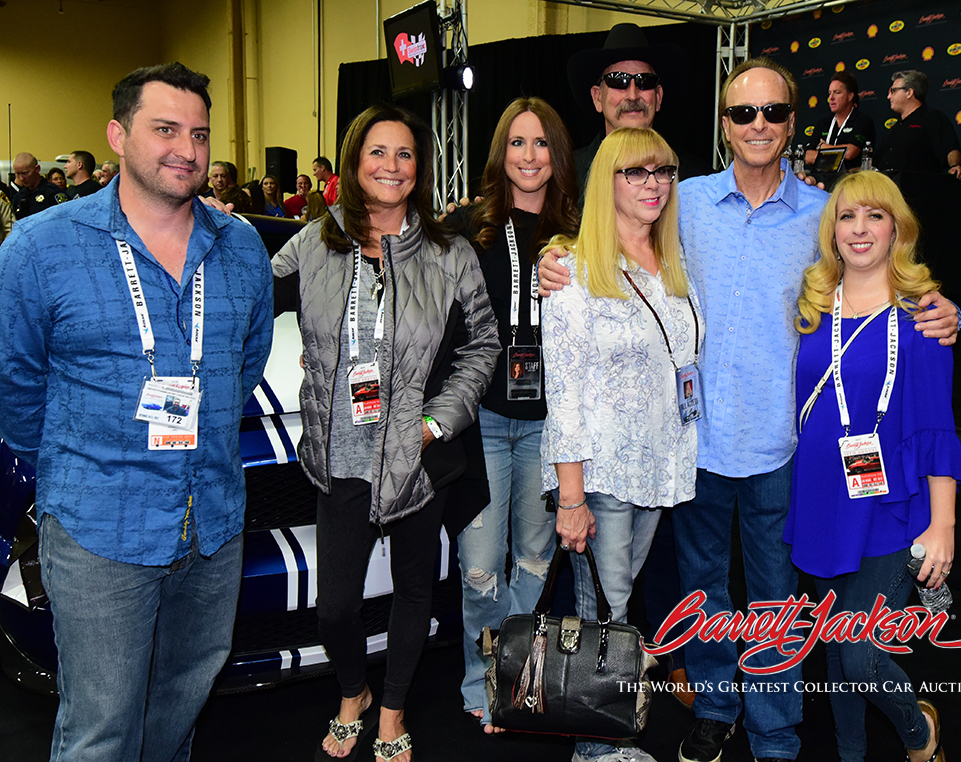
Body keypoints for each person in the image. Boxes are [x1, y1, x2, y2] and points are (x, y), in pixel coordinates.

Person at [539, 57, 960, 762]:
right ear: (726, 125)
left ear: (792, 123)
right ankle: (715, 707)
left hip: (784, 448)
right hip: (696, 445)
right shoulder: (687, 200)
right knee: (703, 594)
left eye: (771, 112)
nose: (757, 124)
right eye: (742, 113)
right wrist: (560, 255)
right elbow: (618, 232)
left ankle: (774, 730)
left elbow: (878, 267)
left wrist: (935, 309)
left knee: (773, 603)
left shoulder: (825, 212)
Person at [0, 62, 274, 762]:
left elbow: (244, 367)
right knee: (102, 731)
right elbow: (14, 384)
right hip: (100, 531)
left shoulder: (240, 247)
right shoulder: (40, 247)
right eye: (165, 129)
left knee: (177, 715)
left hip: (210, 526)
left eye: (200, 132)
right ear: (118, 136)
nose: (186, 147)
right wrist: (81, 464)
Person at [271, 103, 499, 762]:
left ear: (418, 168)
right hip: (338, 454)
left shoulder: (448, 252)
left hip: (417, 457)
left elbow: (482, 346)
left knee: (414, 594)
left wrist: (436, 423)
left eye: (404, 154)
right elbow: (254, 295)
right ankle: (354, 693)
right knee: (334, 609)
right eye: (378, 152)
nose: (392, 166)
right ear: (354, 160)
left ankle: (392, 710)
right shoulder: (315, 241)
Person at [786, 170, 961, 762]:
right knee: (837, 647)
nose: (859, 229)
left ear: (898, 229)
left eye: (874, 216)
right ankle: (850, 752)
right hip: (819, 500)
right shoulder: (813, 306)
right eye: (846, 216)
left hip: (890, 508)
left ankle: (920, 735)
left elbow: (936, 425)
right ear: (831, 230)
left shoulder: (924, 317)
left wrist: (942, 526)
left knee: (862, 653)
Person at [542, 127, 700, 762]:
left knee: (619, 607)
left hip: (659, 471)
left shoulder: (677, 263)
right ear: (607, 182)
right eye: (636, 172)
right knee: (599, 612)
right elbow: (567, 389)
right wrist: (570, 496)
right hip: (601, 476)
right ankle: (595, 747)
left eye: (662, 171)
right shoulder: (574, 270)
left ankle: (602, 738)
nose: (653, 184)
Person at [445, 96, 579, 734]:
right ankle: (479, 678)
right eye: (518, 143)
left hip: (552, 425)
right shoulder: (468, 225)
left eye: (542, 143)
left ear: (558, 153)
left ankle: (512, 677)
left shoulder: (580, 229)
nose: (530, 156)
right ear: (501, 151)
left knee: (533, 560)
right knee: (480, 564)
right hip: (485, 419)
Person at [567, 23, 710, 200]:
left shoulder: (695, 180)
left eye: (645, 82)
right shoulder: (567, 176)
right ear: (597, 98)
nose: (633, 95)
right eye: (619, 81)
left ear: (658, 97)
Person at [877, 70, 961, 180]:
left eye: (893, 91)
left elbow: (950, 147)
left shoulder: (932, 117)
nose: (889, 97)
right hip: (887, 190)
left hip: (917, 189)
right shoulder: (895, 128)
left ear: (909, 92)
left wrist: (955, 166)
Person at [804, 71, 875, 171]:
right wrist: (839, 154)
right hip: (823, 182)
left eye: (837, 93)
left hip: (851, 182)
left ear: (850, 96)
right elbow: (808, 157)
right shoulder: (823, 123)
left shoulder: (862, 120)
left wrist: (823, 148)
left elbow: (850, 153)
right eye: (830, 93)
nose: (831, 98)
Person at [11, 152, 68, 219]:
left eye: (25, 173)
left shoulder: (53, 193)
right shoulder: (19, 197)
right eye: (18, 174)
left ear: (37, 169)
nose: (21, 178)